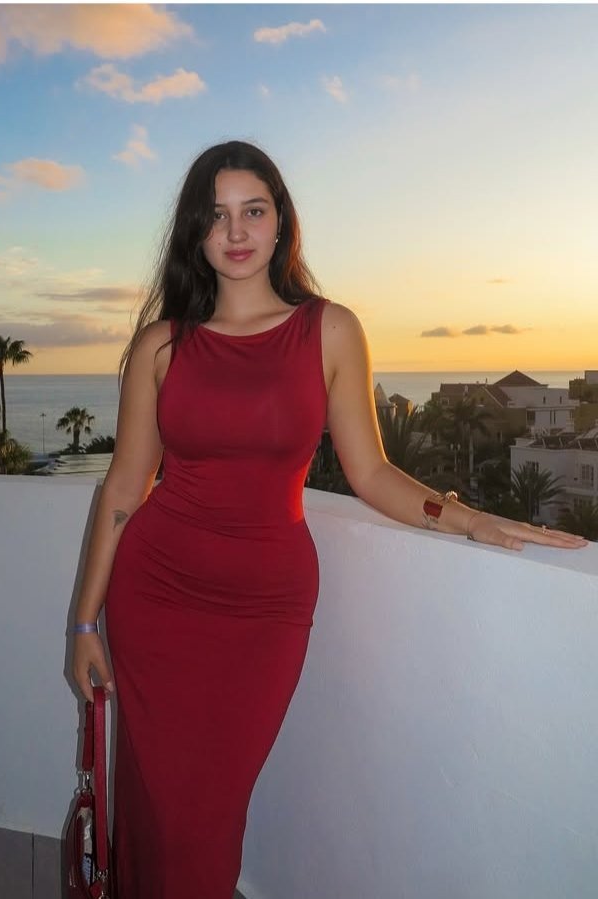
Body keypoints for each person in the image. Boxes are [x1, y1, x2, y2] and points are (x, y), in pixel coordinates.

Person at [71, 140, 587, 898]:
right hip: (156, 601)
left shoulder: (330, 330)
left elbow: (370, 471)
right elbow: (123, 487)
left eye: (253, 211)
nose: (236, 231)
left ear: (281, 222)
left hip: (265, 610)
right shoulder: (161, 345)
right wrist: (84, 622)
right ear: (194, 233)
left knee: (208, 812)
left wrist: (470, 520)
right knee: (161, 806)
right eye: (216, 215)